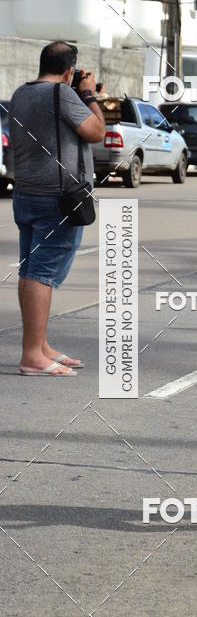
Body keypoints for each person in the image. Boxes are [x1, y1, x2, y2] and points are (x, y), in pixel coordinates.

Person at [10, 41, 105, 375]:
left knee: (30, 270)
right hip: (58, 198)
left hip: (26, 194)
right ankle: (32, 355)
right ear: (69, 71)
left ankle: (39, 345)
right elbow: (96, 132)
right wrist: (89, 95)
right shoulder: (63, 95)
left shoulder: (21, 92)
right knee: (42, 273)